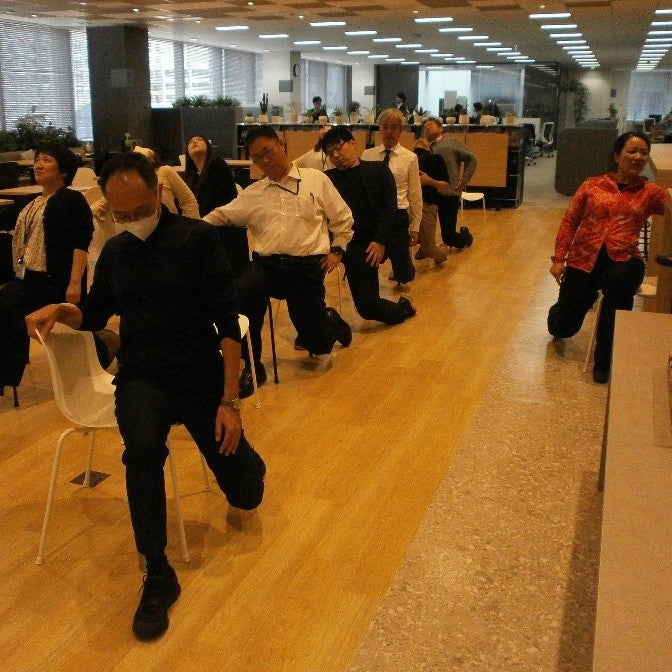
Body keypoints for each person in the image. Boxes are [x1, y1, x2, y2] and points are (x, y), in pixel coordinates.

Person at [25, 152, 266, 641]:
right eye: (121, 215)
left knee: (247, 494)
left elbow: (228, 325)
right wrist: (61, 309)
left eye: (140, 211)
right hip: (143, 378)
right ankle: (156, 573)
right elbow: (95, 314)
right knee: (141, 452)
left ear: (158, 193)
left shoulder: (197, 239)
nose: (132, 220)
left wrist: (229, 402)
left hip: (198, 375)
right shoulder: (116, 252)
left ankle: (247, 464)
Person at [203, 126, 354, 397]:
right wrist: (192, 230)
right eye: (257, 157)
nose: (265, 160)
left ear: (281, 145)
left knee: (317, 344)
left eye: (268, 152)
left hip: (306, 267)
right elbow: (222, 215)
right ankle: (252, 366)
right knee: (243, 292)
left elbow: (343, 218)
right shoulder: (254, 193)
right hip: (267, 266)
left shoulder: (315, 180)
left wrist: (338, 250)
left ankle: (330, 322)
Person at [547, 132, 669, 384]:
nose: (638, 157)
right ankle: (559, 318)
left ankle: (604, 362)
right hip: (584, 258)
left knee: (618, 290)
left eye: (643, 153)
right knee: (564, 325)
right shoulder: (593, 185)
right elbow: (570, 221)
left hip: (625, 259)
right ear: (616, 156)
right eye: (632, 151)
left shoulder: (651, 192)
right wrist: (559, 258)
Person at [0, 142, 93, 394]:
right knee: (6, 305)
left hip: (54, 281)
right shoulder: (32, 202)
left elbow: (81, 242)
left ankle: (104, 347)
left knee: (8, 305)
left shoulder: (72, 200)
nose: (39, 165)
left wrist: (75, 283)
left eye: (47, 160)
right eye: (38, 160)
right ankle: (8, 373)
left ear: (63, 170)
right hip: (27, 277)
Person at [321, 126, 416, 324]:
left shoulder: (378, 170)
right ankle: (320, 326)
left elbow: (390, 209)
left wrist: (380, 241)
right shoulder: (328, 178)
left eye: (339, 148)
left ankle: (403, 308)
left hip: (367, 244)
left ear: (353, 143)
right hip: (339, 243)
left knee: (367, 308)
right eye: (330, 153)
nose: (336, 155)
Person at [360, 108, 421, 288]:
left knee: (403, 273)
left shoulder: (410, 158)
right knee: (368, 259)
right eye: (385, 127)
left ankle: (404, 270)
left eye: (394, 127)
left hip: (398, 215)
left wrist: (415, 227)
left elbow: (415, 194)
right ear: (379, 128)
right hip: (374, 216)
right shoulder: (367, 155)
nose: (389, 132)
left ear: (401, 130)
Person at [184, 135, 250, 277]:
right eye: (190, 142)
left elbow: (224, 200)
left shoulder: (217, 165)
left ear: (208, 146)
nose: (194, 142)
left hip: (225, 231)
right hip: (207, 230)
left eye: (199, 140)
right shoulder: (191, 177)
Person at [422, 117, 477, 250]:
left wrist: (463, 181)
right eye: (425, 127)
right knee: (422, 230)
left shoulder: (451, 143)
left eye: (430, 125)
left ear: (441, 129)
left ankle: (466, 237)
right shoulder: (422, 148)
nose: (427, 127)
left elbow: (472, 159)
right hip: (427, 195)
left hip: (448, 194)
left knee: (448, 238)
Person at [412, 137, 449, 265]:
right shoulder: (408, 158)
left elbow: (445, 185)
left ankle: (442, 252)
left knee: (429, 249)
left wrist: (428, 181)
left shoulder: (436, 159)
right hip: (409, 204)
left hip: (427, 204)